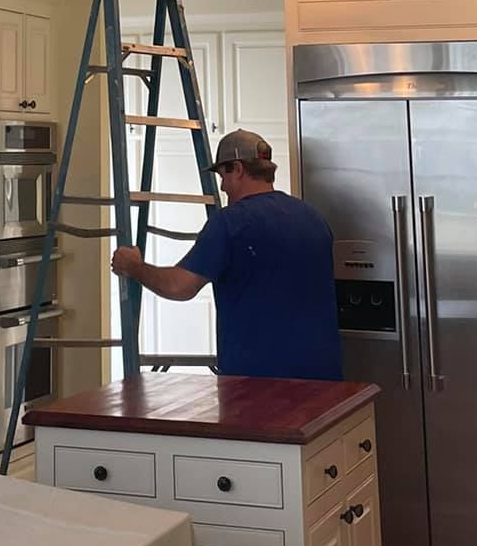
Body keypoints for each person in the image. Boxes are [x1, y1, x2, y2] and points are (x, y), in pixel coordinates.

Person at [110, 129, 342, 380]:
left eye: (223, 175)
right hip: (323, 381)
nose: (221, 186)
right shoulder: (313, 218)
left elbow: (180, 286)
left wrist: (134, 267)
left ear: (238, 169)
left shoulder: (231, 223)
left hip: (258, 385)